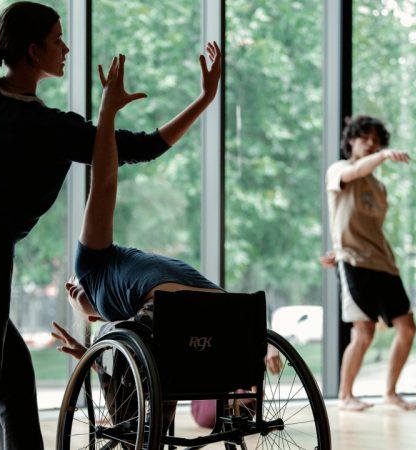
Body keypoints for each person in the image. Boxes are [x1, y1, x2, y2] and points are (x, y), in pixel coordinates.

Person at [0, 2, 223, 448]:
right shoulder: (49, 127)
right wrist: (203, 100)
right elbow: (141, 147)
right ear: (34, 51)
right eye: (58, 40)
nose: (67, 47)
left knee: (13, 382)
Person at [50, 46, 282, 431]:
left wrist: (107, 113)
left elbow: (104, 183)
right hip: (233, 321)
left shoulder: (92, 264)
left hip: (171, 321)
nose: (73, 291)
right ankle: (199, 416)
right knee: (137, 342)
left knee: (124, 339)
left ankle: (136, 431)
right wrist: (206, 98)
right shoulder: (136, 276)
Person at [320, 115, 416, 412]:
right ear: (351, 140)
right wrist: (384, 156)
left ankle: (390, 392)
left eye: (377, 141)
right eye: (365, 138)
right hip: (354, 261)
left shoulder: (379, 187)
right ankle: (345, 396)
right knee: (364, 332)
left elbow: (367, 226)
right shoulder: (339, 169)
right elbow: (356, 173)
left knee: (408, 328)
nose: (372, 144)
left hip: (383, 263)